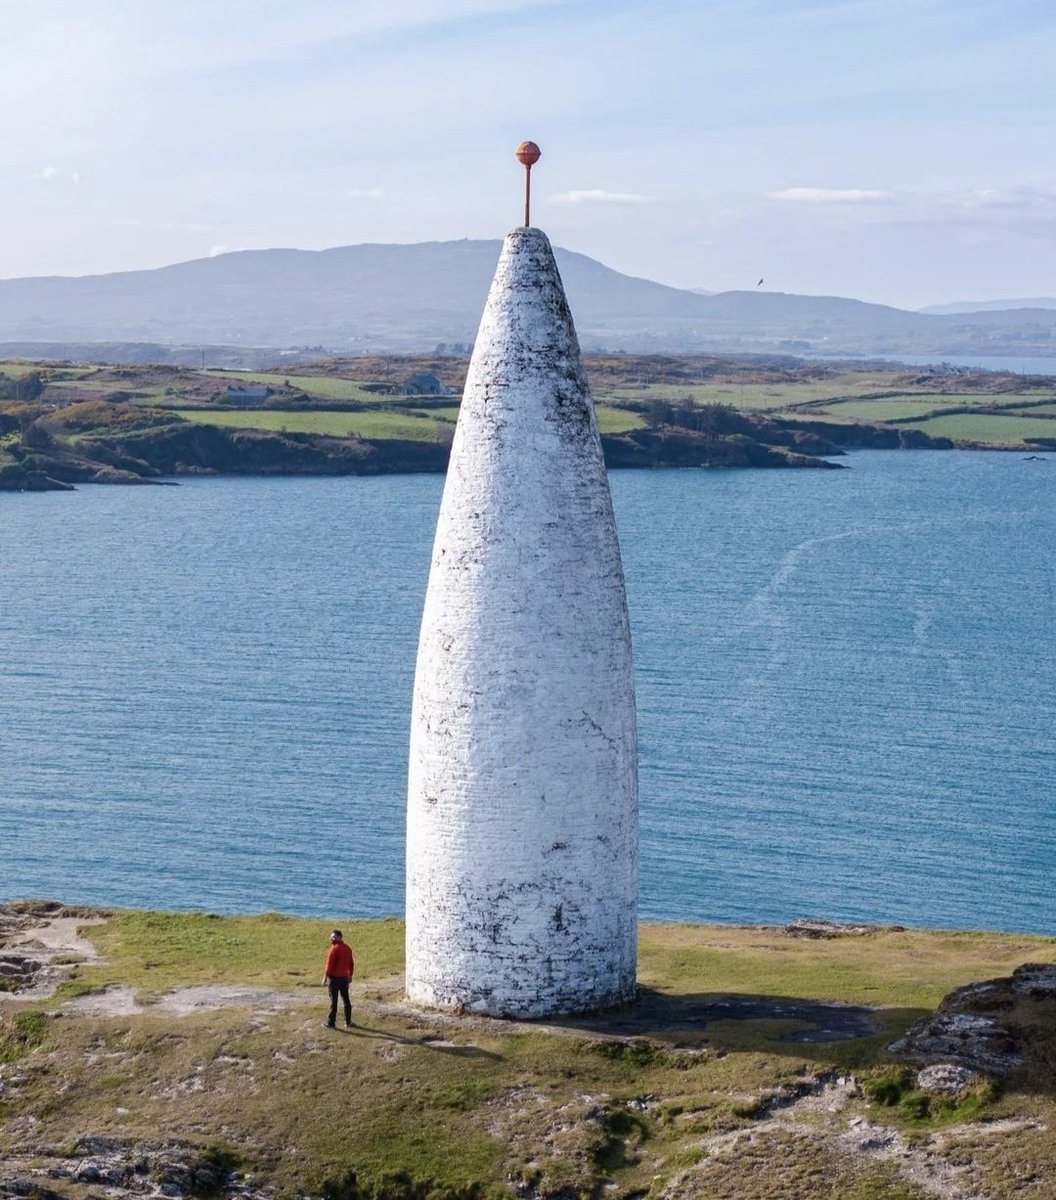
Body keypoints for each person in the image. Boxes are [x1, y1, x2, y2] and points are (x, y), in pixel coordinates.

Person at [322, 928, 355, 1028]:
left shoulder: (333, 949)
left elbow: (329, 965)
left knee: (334, 1002)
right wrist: (350, 975)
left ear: (340, 937)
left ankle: (331, 1023)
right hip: (344, 978)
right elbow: (351, 963)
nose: (332, 939)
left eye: (334, 937)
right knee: (346, 1000)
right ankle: (348, 1021)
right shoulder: (348, 948)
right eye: (331, 937)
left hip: (334, 979)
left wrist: (325, 978)